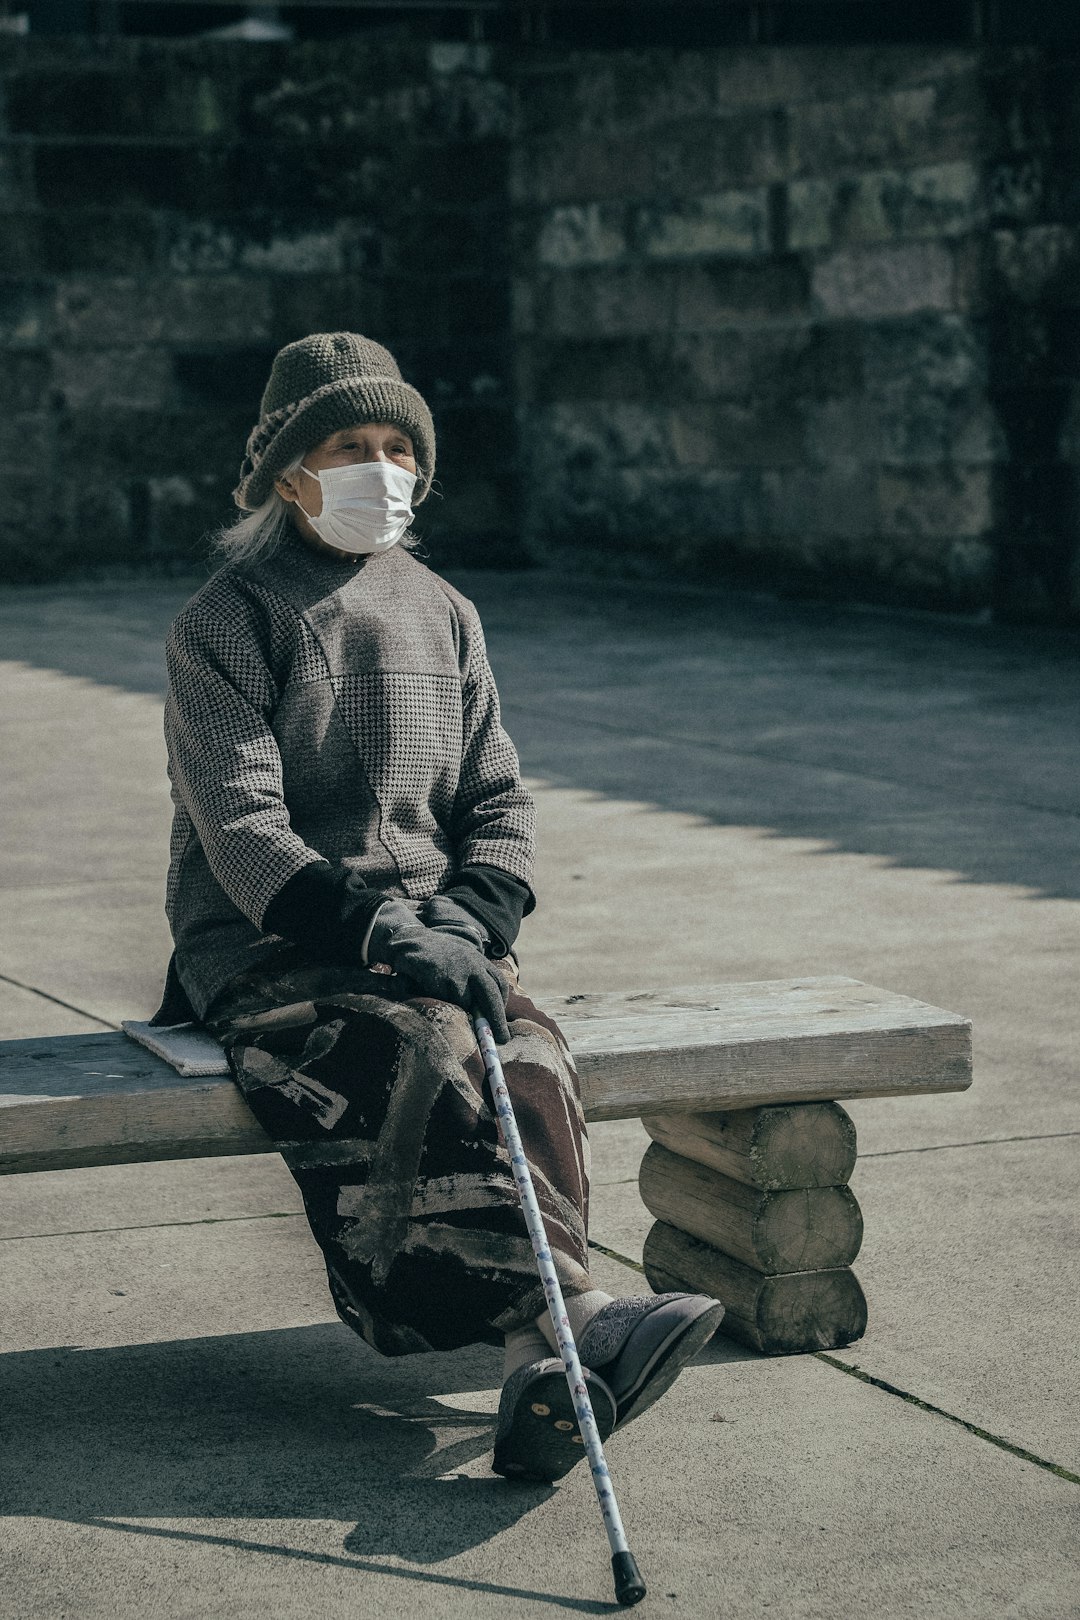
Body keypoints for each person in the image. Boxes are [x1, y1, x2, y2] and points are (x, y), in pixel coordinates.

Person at [153, 331, 723, 1481]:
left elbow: (497, 793)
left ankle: (538, 1362)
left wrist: (475, 914)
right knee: (414, 1045)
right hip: (283, 941)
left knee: (527, 1049)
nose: (382, 468)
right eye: (349, 445)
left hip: (434, 935)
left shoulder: (447, 610)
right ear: (286, 471)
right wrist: (380, 931)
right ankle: (579, 1316)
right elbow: (243, 828)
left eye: (397, 446)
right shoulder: (225, 621)